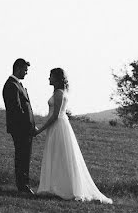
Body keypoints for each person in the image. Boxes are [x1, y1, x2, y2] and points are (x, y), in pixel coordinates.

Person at [34, 68, 113, 203]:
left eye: (51, 76)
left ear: (57, 78)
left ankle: (63, 188)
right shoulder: (59, 92)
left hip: (58, 127)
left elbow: (55, 116)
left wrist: (39, 130)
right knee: (58, 156)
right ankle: (54, 186)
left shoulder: (59, 93)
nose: (49, 79)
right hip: (58, 127)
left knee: (60, 156)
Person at [2, 58, 36, 194]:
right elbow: (16, 109)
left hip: (26, 129)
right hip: (20, 128)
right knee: (22, 156)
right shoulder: (11, 85)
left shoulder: (18, 85)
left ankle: (24, 184)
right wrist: (26, 126)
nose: (26, 73)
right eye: (25, 70)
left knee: (25, 156)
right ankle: (22, 185)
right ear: (18, 68)